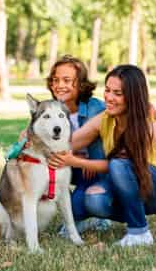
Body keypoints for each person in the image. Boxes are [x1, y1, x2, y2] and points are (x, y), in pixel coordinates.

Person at [49, 64, 156, 247]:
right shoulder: (106, 118)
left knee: (119, 164)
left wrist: (75, 161)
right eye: (107, 90)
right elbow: (71, 142)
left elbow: (121, 164)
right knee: (92, 199)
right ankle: (99, 219)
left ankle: (139, 232)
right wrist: (33, 143)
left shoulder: (148, 126)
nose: (109, 98)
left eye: (118, 93)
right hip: (135, 185)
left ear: (132, 97)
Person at [27, 55, 112, 234]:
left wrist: (83, 158)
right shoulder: (51, 108)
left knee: (79, 207)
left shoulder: (95, 108)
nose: (59, 85)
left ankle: (98, 216)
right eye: (55, 80)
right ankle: (82, 214)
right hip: (69, 165)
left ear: (80, 84)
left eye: (67, 80)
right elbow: (30, 138)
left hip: (93, 170)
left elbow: (105, 139)